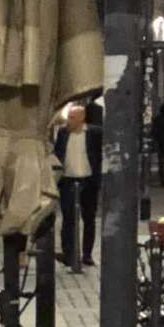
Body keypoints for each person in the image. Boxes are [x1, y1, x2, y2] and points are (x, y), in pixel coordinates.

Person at [54, 100, 102, 271]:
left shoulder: (94, 133)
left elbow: (99, 154)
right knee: (68, 218)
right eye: (69, 117)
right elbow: (58, 153)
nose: (69, 121)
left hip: (88, 180)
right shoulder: (63, 133)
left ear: (82, 118)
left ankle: (87, 254)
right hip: (68, 180)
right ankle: (68, 254)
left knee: (89, 218)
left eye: (73, 118)